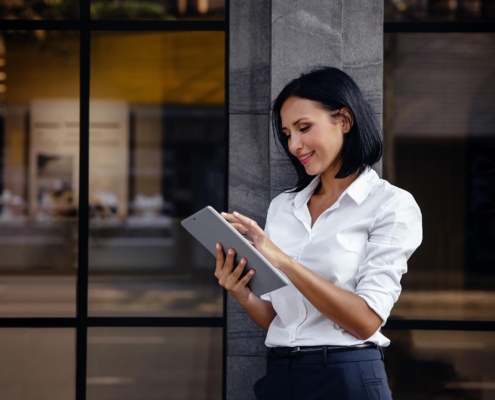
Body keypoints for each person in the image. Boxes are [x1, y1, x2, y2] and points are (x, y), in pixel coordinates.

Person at [214, 66, 422, 399]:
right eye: (286, 133)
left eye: (303, 127)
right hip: (282, 374)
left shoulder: (391, 205)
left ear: (344, 120)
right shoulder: (284, 206)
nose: (294, 144)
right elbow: (282, 321)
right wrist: (242, 292)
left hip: (347, 375)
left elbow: (367, 321)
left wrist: (283, 261)